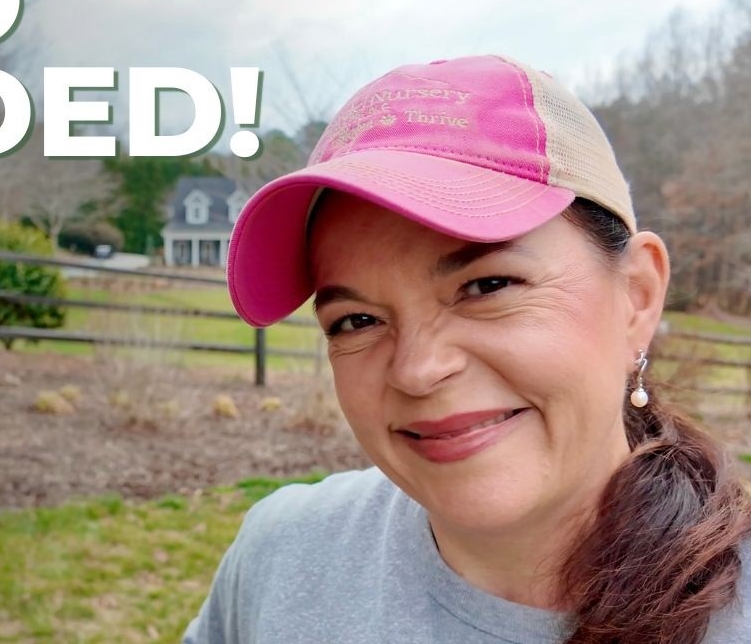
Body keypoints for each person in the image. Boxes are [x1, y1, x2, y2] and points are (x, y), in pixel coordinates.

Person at [183, 54, 751, 644]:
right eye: (356, 320)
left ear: (637, 296)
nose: (419, 370)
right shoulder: (282, 560)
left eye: (487, 286)